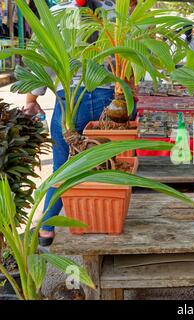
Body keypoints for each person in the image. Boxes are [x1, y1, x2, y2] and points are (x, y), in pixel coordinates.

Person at [23, 0, 117, 246]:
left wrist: (31, 98)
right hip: (108, 100)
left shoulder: (55, 13)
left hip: (69, 101)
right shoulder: (111, 11)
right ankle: (106, 221)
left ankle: (47, 228)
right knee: (109, 165)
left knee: (62, 167)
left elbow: (40, 61)